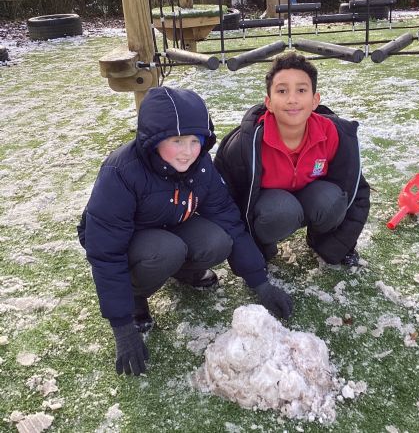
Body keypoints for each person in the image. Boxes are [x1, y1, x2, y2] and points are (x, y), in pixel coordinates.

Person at [77, 87, 293, 377]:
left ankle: (184, 272)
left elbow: (229, 220)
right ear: (154, 140)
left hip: (169, 221)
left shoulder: (200, 165)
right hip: (129, 240)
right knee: (166, 250)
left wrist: (261, 283)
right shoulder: (122, 172)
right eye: (177, 141)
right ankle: (136, 295)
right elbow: (106, 252)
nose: (188, 151)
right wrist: (122, 327)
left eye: (195, 141)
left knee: (217, 239)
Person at [214, 52, 370, 268]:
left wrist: (338, 246)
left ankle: (320, 241)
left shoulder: (334, 134)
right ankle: (265, 245)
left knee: (332, 199)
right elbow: (225, 199)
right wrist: (251, 253)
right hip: (272, 210)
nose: (292, 99)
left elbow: (355, 191)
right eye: (282, 91)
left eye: (301, 90)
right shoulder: (245, 143)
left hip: (312, 198)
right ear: (268, 102)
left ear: (315, 100)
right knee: (282, 211)